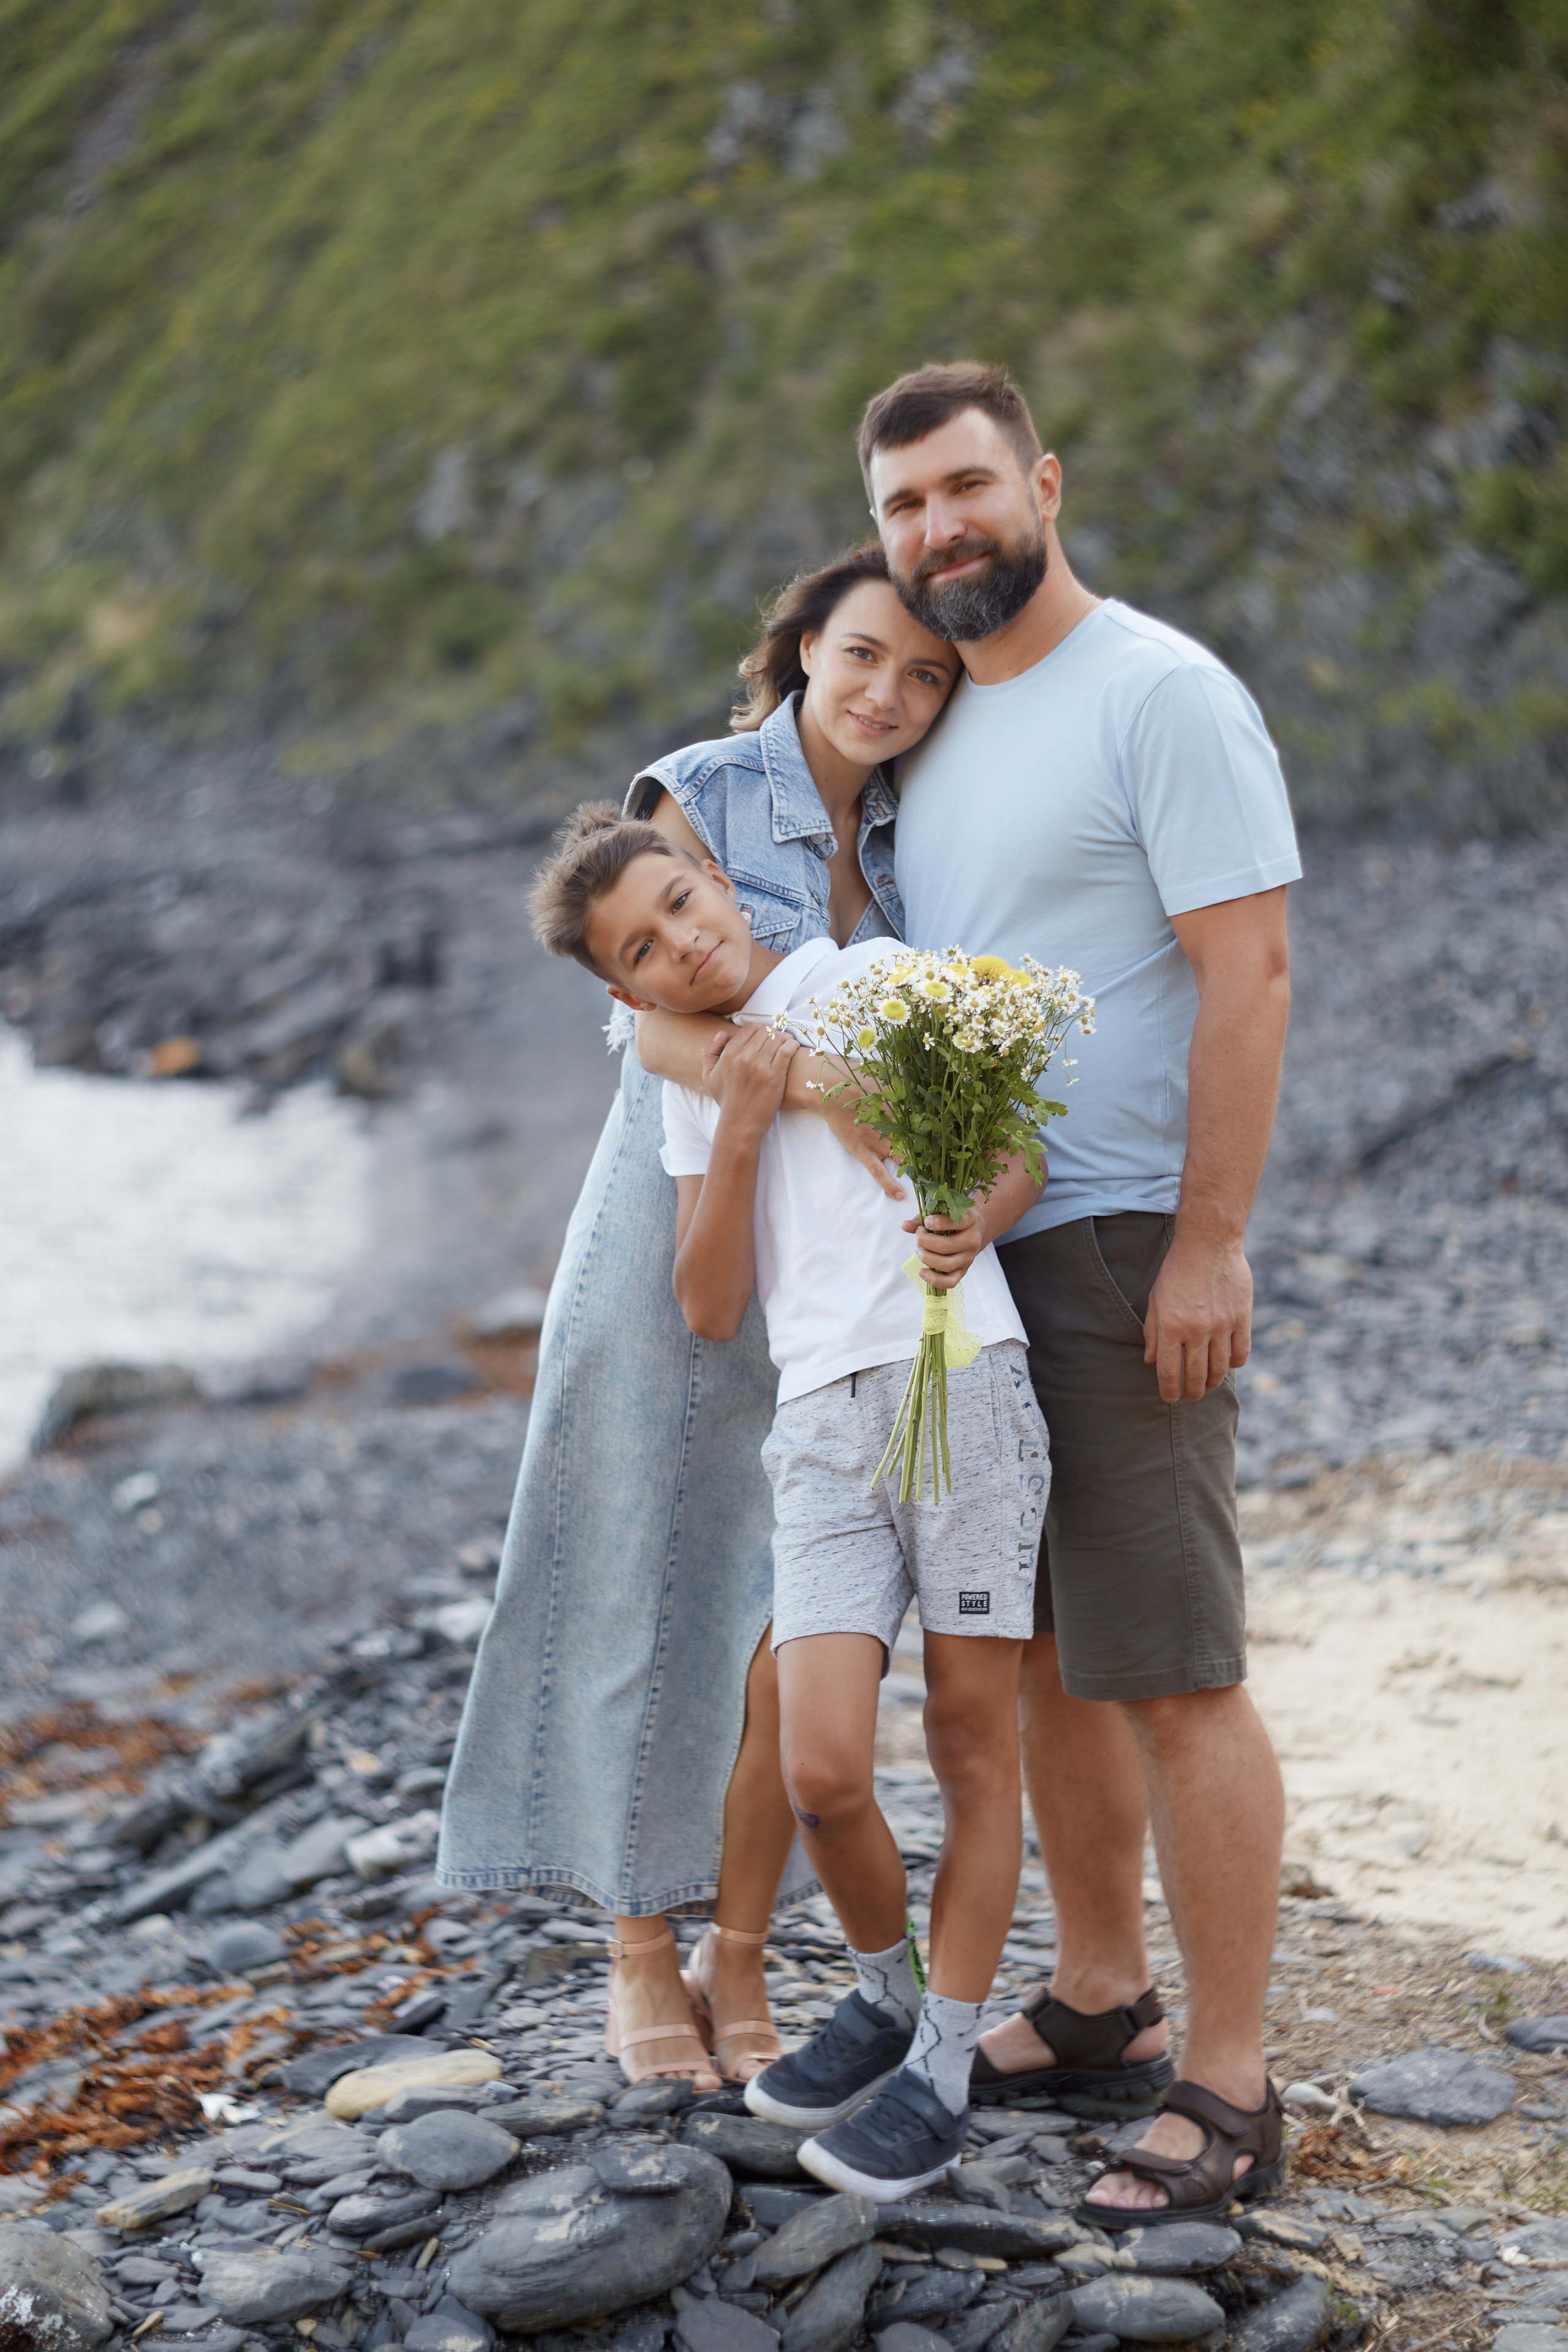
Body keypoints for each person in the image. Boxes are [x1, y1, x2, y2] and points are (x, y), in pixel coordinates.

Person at [856, 359, 1298, 2225]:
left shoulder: (1163, 693)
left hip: (1125, 1243)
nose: (940, 530)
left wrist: (1210, 1237)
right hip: (989, 1262)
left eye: (966, 488)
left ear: (1043, 479)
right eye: (902, 508)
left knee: (1178, 1670)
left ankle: (1233, 2081)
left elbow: (1253, 967)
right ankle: (1103, 1998)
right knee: (1042, 1654)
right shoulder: (937, 712)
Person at [436, 546, 959, 2088]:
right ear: (802, 646)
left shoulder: (919, 818)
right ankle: (635, 1947)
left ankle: (742, 1955)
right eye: (859, 656)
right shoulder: (705, 790)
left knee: (768, 1616)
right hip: (683, 1212)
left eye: (921, 674)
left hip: (843, 1263)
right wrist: (812, 1086)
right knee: (638, 1577)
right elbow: (643, 1008)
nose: (884, 694)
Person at [529, 807, 1050, 2198]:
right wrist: (747, 1118)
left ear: (719, 884)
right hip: (818, 1423)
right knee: (822, 1768)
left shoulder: (870, 980)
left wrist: (972, 1218)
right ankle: (882, 1992)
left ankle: (938, 2061)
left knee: (965, 1740)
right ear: (626, 994)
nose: (684, 945)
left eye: (683, 904)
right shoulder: (688, 1078)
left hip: (963, 1379)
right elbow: (709, 1306)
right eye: (645, 949)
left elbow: (1016, 1160)